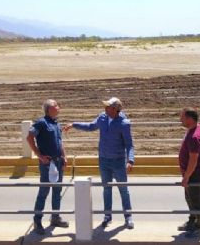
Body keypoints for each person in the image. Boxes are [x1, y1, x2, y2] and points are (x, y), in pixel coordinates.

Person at [64, 97, 135, 229]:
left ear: (115, 109)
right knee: (106, 189)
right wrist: (74, 125)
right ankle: (107, 216)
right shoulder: (102, 118)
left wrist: (130, 160)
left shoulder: (124, 123)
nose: (105, 108)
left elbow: (129, 144)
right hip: (104, 161)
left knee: (123, 190)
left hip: (118, 161)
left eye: (108, 106)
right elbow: (91, 126)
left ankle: (128, 216)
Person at [26, 99, 68, 235]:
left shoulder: (56, 123)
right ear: (49, 109)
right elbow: (29, 137)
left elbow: (59, 141)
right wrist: (39, 156)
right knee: (44, 192)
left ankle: (55, 217)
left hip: (58, 161)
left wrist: (64, 156)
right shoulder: (41, 123)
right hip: (47, 163)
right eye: (56, 105)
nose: (58, 107)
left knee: (57, 191)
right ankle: (37, 221)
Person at [178, 107, 200, 237]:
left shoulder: (195, 137)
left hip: (194, 173)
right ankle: (192, 221)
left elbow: (193, 160)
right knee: (190, 198)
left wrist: (186, 177)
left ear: (190, 119)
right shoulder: (195, 129)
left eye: (182, 117)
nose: (180, 120)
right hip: (191, 172)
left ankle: (198, 227)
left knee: (196, 199)